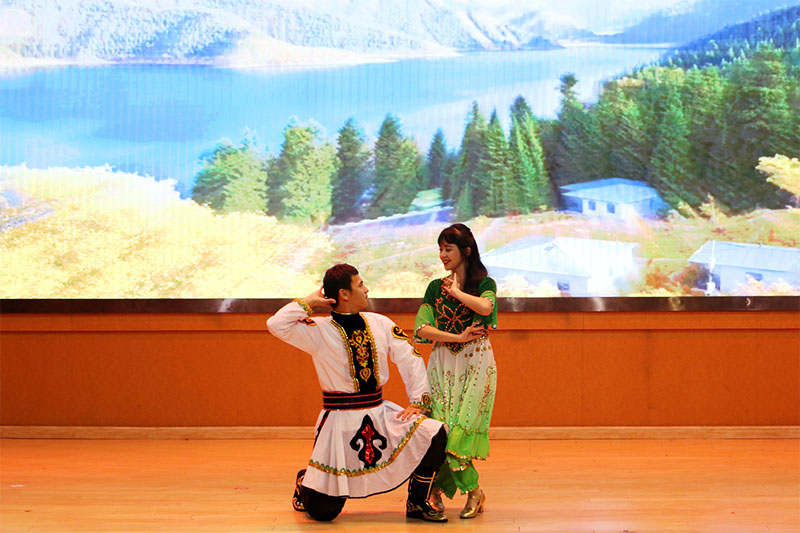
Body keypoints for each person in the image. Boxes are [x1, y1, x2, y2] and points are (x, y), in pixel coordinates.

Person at [266, 263, 448, 522]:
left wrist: (419, 400)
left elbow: (409, 356)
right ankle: (305, 480)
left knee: (434, 433)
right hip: (339, 422)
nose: (366, 289)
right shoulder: (319, 330)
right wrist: (308, 302)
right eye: (360, 285)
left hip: (379, 415)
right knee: (323, 512)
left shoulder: (380, 323)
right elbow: (276, 324)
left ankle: (417, 502)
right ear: (344, 294)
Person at [414, 223, 498, 519]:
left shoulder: (484, 283)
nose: (442, 255)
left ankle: (452, 489)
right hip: (442, 364)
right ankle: (462, 491)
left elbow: (486, 308)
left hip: (476, 363)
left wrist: (458, 292)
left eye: (448, 249)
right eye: (440, 249)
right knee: (443, 429)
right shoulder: (434, 287)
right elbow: (422, 328)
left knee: (460, 430)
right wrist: (458, 337)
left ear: (466, 251)